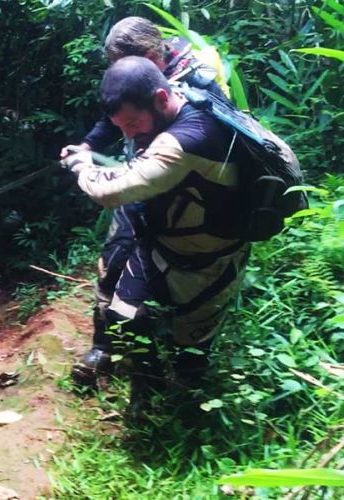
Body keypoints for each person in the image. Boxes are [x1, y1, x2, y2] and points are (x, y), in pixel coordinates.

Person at [64, 57, 249, 405]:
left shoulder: (188, 139)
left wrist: (81, 165)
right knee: (123, 316)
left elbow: (110, 191)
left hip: (208, 256)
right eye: (123, 127)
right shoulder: (179, 102)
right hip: (162, 241)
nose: (130, 135)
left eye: (133, 124)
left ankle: (185, 412)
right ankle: (146, 394)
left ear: (162, 98)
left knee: (190, 349)